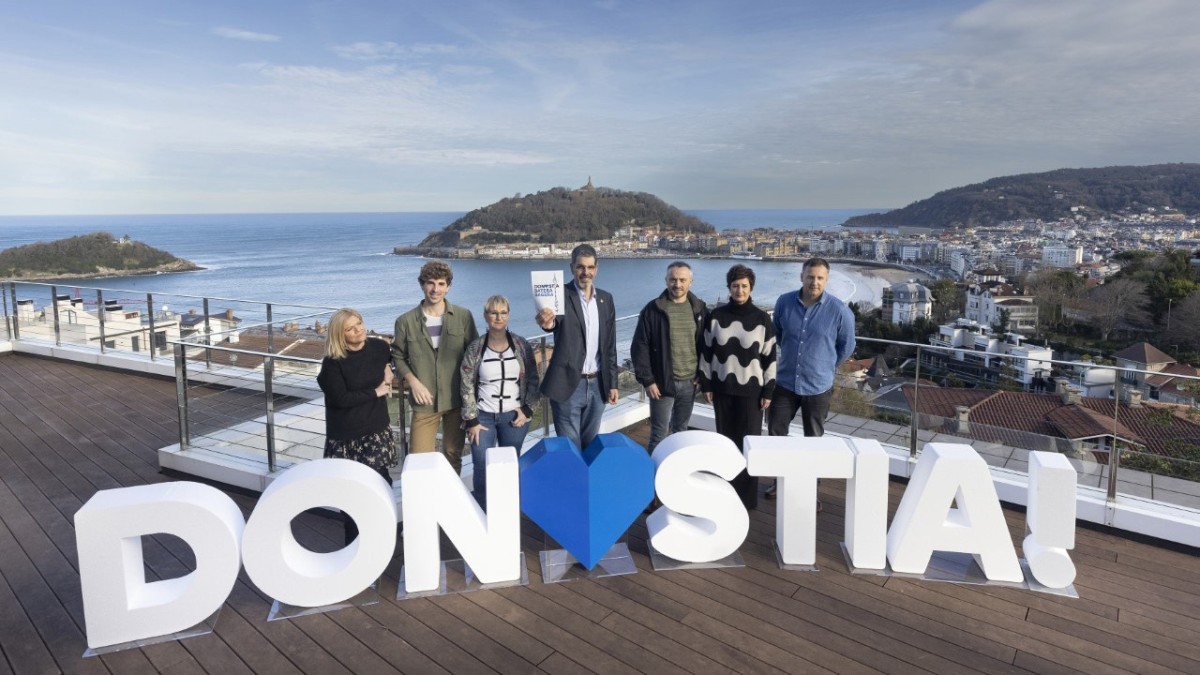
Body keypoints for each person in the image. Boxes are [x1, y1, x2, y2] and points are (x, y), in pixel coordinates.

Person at [766, 257, 857, 503]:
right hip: (784, 382)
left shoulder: (839, 310)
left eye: (819, 278)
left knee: (814, 440)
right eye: (810, 276)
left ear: (827, 280)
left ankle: (810, 492)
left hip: (818, 386)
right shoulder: (784, 302)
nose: (814, 282)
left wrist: (826, 365)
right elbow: (779, 334)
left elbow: (847, 346)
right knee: (776, 435)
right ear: (801, 276)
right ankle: (778, 482)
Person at [699, 264, 776, 510]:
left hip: (752, 394)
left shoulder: (762, 319)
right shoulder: (716, 316)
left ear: (750, 287)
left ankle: (746, 499)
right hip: (722, 390)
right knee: (726, 444)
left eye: (744, 285)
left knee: (748, 447)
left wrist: (768, 391)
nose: (739, 290)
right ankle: (726, 494)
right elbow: (706, 353)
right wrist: (706, 384)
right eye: (735, 286)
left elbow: (770, 358)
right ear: (729, 288)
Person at [317, 308, 396, 545]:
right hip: (346, 437)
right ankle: (354, 547)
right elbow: (340, 399)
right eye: (350, 328)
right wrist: (376, 391)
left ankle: (380, 537)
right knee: (351, 497)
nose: (358, 330)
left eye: (359, 324)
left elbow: (396, 359)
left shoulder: (379, 347)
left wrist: (390, 369)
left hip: (375, 431)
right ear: (339, 335)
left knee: (382, 485)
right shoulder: (332, 363)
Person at [392, 260, 479, 474]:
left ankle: (451, 501)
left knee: (452, 454)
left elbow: (473, 355)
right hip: (424, 403)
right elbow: (397, 355)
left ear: (448, 286)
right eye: (430, 283)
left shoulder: (463, 316)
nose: (435, 289)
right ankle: (424, 504)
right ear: (422, 285)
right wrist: (413, 382)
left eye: (441, 284)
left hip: (457, 400)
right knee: (419, 459)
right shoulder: (405, 321)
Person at [535, 244, 618, 451]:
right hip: (568, 385)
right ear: (572, 267)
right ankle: (574, 483)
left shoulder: (606, 299)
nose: (585, 272)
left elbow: (610, 345)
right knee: (570, 448)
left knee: (590, 446)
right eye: (580, 267)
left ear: (596, 269)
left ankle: (587, 483)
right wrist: (547, 323)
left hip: (598, 385)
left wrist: (613, 383)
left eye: (590, 267)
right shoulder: (560, 295)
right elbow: (553, 322)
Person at [460, 295, 540, 508]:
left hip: (513, 415)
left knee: (510, 464)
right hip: (482, 416)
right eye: (494, 312)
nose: (498, 317)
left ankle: (507, 509)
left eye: (503, 312)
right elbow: (466, 382)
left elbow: (533, 378)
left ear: (508, 315)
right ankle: (482, 511)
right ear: (486, 315)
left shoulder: (521, 345)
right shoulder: (476, 348)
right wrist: (471, 420)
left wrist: (528, 409)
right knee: (481, 465)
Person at [630, 261, 707, 454]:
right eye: (673, 280)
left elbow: (707, 344)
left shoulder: (699, 309)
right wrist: (648, 380)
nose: (677, 284)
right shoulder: (653, 310)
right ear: (666, 281)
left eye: (682, 280)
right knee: (659, 433)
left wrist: (702, 375)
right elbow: (639, 347)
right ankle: (654, 480)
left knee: (680, 432)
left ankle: (675, 477)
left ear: (691, 282)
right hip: (662, 383)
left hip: (690, 383)